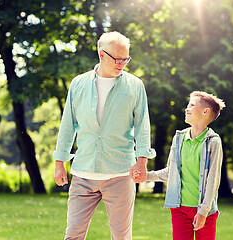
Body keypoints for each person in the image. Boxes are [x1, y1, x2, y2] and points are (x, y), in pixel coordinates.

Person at [53, 31, 156, 240]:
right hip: (83, 174)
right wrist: (59, 162)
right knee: (72, 235)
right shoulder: (78, 84)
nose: (122, 64)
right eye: (117, 59)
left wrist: (142, 161)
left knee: (121, 237)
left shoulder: (135, 86)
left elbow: (142, 126)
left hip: (120, 174)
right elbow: (67, 126)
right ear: (101, 54)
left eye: (126, 59)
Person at [134, 91, 225, 240]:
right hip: (179, 208)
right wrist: (147, 176)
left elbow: (213, 180)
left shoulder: (213, 142)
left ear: (205, 111)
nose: (186, 109)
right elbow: (171, 172)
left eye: (191, 105)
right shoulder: (179, 138)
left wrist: (203, 211)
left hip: (204, 211)